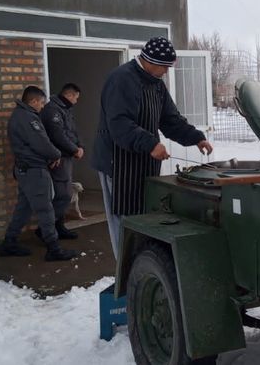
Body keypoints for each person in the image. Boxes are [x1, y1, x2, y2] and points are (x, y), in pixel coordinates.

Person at [91, 37, 213, 258]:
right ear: (149, 61)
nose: (166, 71)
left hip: (143, 159)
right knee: (124, 217)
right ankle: (126, 271)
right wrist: (150, 143)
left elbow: (170, 120)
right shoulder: (121, 79)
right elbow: (119, 124)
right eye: (164, 66)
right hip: (118, 162)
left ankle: (141, 261)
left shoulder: (156, 84)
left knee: (143, 213)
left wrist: (196, 137)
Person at [0, 86, 78, 261]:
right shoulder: (28, 119)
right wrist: (56, 154)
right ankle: (54, 248)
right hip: (34, 170)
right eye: (41, 103)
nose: (43, 107)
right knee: (46, 210)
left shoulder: (21, 115)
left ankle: (9, 242)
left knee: (23, 208)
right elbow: (41, 143)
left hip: (25, 169)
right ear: (33, 101)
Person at [37, 83, 83, 241]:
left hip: (66, 156)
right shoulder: (53, 110)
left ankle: (57, 226)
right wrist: (74, 149)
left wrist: (79, 146)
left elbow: (72, 131)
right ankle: (48, 228)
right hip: (58, 158)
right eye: (76, 98)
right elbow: (58, 135)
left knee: (64, 193)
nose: (76, 101)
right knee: (63, 194)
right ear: (70, 95)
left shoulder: (65, 109)